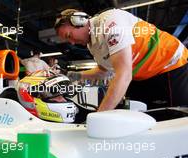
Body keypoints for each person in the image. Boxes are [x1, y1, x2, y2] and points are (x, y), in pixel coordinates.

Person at [54, 8, 188, 111]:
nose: (71, 43)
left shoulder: (110, 22)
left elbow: (123, 74)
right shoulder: (93, 45)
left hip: (170, 63)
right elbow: (104, 72)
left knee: (174, 118)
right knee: (139, 117)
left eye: (69, 35)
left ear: (80, 21)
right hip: (142, 76)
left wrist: (100, 115)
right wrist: (70, 76)